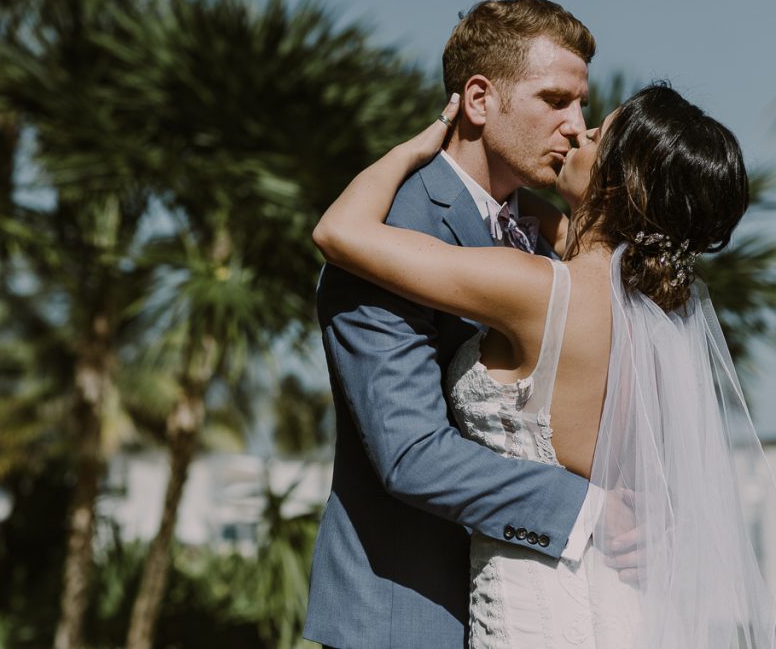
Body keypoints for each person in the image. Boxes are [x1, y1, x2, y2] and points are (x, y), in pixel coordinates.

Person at [313, 82, 776, 647]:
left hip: (541, 609)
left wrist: (419, 147)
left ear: (617, 180)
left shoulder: (535, 289)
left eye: (598, 133)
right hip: (622, 602)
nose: (578, 131)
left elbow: (339, 232)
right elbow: (532, 217)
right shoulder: (656, 314)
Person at [303, 0, 602, 649]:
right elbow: (409, 455)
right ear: (477, 100)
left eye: (582, 105)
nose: (578, 127)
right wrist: (587, 510)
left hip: (540, 608)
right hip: (407, 616)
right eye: (555, 100)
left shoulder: (553, 239)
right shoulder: (387, 232)